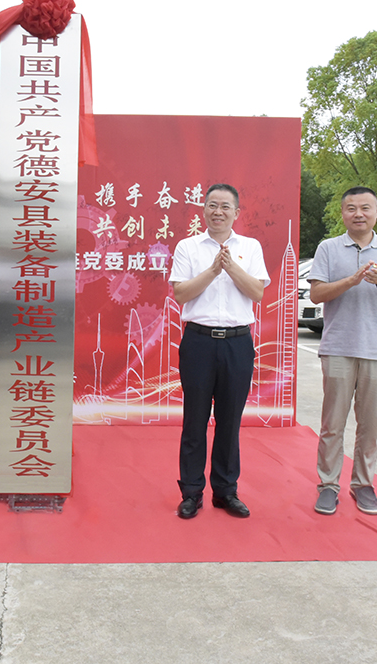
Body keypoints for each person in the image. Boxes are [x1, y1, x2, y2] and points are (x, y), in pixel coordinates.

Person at [307, 186, 377, 516]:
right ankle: (328, 485)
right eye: (351, 208)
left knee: (370, 425)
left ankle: (364, 484)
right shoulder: (328, 248)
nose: (358, 214)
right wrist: (350, 281)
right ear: (342, 213)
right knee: (333, 423)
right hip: (338, 347)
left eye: (365, 208)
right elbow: (316, 295)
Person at [168, 183, 270, 519]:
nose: (218, 212)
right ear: (203, 210)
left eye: (226, 206)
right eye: (212, 205)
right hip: (198, 341)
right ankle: (191, 492)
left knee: (229, 421)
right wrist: (213, 270)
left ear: (236, 212)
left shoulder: (250, 247)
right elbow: (181, 294)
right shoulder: (188, 247)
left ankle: (226, 491)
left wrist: (230, 266)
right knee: (194, 420)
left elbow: (257, 292)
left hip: (238, 343)